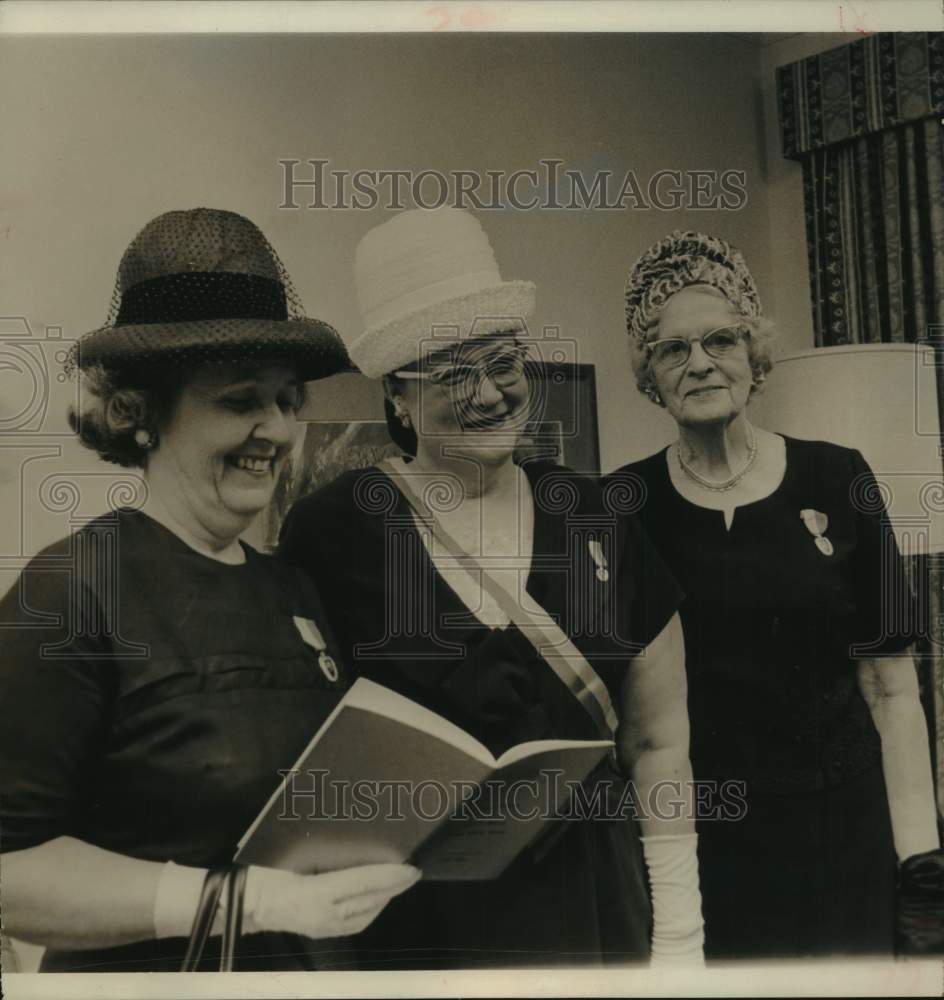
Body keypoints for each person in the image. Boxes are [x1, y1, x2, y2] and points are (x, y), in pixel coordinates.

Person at [278, 207, 704, 968]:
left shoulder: (601, 518)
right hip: (421, 925)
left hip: (600, 911)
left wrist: (680, 934)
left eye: (503, 364)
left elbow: (658, 745)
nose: (487, 394)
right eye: (449, 375)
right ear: (397, 398)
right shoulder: (334, 532)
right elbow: (308, 753)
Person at [0, 208, 420, 973]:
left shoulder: (293, 590)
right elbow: (5, 873)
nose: (279, 431)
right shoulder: (70, 591)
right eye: (239, 401)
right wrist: (241, 903)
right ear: (141, 414)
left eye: (289, 400)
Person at [605, 230, 943, 959]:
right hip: (706, 852)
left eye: (720, 340)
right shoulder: (621, 505)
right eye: (672, 349)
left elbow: (893, 692)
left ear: (755, 357)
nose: (699, 362)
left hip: (843, 836)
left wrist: (922, 878)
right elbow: (632, 730)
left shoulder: (838, 477)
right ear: (650, 376)